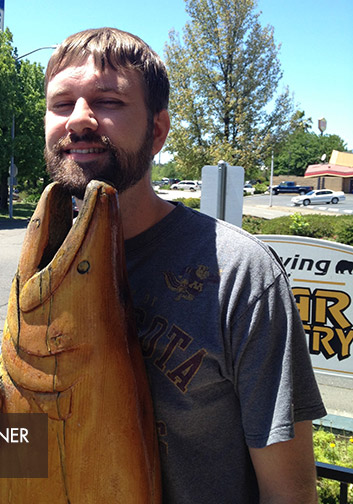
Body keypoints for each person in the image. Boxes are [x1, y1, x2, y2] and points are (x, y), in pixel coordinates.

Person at [44, 28, 326, 503]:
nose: (79, 120)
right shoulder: (48, 259)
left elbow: (290, 493)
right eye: (61, 103)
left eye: (108, 101)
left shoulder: (240, 274)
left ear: (156, 131)